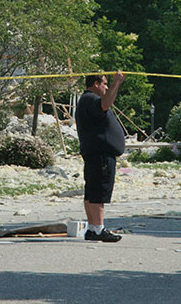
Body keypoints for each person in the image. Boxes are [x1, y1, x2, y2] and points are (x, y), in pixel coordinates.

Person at [75, 71, 126, 242]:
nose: (106, 87)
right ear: (96, 84)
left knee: (92, 191)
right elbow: (105, 104)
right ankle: (98, 229)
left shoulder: (86, 101)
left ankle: (91, 228)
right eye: (104, 84)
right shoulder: (90, 99)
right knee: (98, 192)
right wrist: (117, 82)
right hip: (100, 155)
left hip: (95, 154)